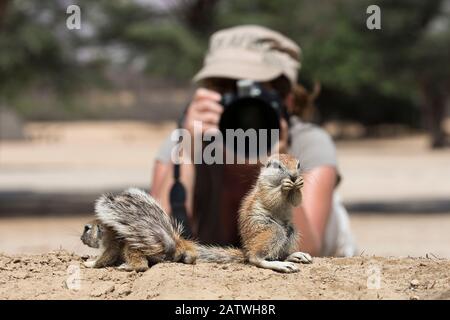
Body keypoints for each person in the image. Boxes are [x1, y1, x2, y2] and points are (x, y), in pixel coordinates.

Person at [150, 25, 356, 257]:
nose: (242, 105)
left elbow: (308, 249)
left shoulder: (308, 142)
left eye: (255, 92)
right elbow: (156, 242)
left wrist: (277, 162)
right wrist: (186, 153)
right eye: (225, 87)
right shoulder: (190, 139)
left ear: (285, 102)